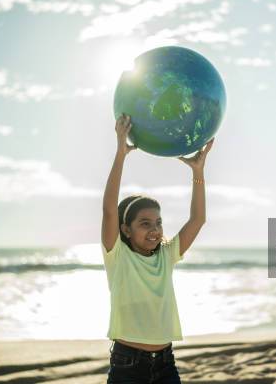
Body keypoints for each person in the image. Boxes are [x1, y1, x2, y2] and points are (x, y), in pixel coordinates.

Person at [101, 114, 214, 383]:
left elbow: (198, 220)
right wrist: (120, 153)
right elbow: (108, 211)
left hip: (166, 364)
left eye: (158, 222)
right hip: (127, 365)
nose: (155, 230)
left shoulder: (166, 255)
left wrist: (198, 172)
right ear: (125, 229)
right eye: (144, 223)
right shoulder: (117, 255)